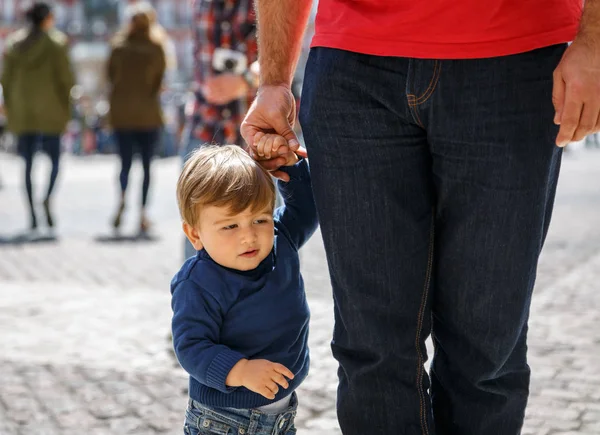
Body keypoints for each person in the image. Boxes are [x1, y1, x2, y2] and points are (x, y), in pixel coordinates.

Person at [241, 0, 600, 433]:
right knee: (372, 349)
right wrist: (274, 79)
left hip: (511, 56)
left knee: (486, 350)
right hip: (353, 67)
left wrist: (594, 41)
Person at [170, 139, 317, 435]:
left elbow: (306, 208)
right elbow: (191, 346)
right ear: (194, 233)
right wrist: (240, 371)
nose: (249, 236)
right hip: (223, 419)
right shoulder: (199, 282)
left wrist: (289, 168)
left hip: (281, 415)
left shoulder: (280, 240)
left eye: (260, 219)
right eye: (230, 226)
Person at [181, 0, 262, 259]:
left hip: (256, 126)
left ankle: (265, 300)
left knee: (266, 229)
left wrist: (246, 80)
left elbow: (285, 53)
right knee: (199, 234)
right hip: (205, 124)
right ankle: (198, 299)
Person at [0, 2, 74, 231]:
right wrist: (66, 106)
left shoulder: (14, 44)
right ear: (46, 19)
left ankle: (32, 212)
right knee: (54, 161)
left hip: (23, 114)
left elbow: (5, 79)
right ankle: (47, 197)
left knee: (28, 164)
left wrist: (12, 105)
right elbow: (67, 79)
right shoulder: (56, 43)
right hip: (51, 112)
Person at [107, 2, 166, 234]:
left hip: (122, 115)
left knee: (124, 164)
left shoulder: (118, 47)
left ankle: (122, 198)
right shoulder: (156, 48)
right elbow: (159, 82)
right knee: (147, 167)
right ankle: (142, 213)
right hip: (148, 115)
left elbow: (110, 76)